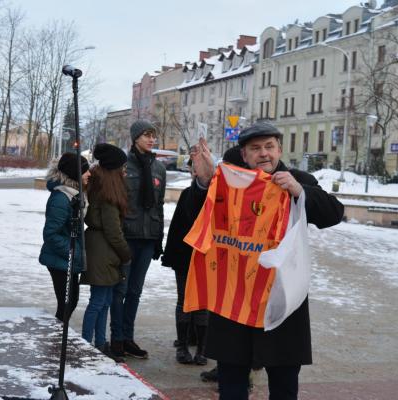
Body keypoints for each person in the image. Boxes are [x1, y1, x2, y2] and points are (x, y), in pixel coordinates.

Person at [186, 122, 344, 400]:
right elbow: (197, 213)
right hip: (234, 300)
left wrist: (299, 191)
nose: (263, 154)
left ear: (279, 149)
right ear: (244, 155)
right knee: (231, 383)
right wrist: (203, 181)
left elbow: (333, 213)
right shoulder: (230, 181)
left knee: (284, 385)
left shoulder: (296, 178)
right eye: (255, 149)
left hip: (281, 301)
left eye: (269, 147)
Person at [110, 120, 166, 360]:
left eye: (153, 136)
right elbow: (116, 204)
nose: (151, 140)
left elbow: (159, 205)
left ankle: (129, 337)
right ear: (135, 138)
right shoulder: (123, 167)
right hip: (127, 236)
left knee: (135, 291)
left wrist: (158, 237)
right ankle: (117, 340)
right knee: (120, 290)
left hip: (147, 238)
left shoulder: (159, 168)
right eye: (146, 135)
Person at [81, 143, 130, 363]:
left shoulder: (103, 188)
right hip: (103, 252)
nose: (125, 171)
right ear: (114, 171)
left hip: (103, 251)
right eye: (122, 168)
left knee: (105, 300)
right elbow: (113, 232)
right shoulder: (109, 196)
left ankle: (100, 344)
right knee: (98, 302)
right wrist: (126, 253)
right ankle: (84, 345)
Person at [161, 159, 208, 366]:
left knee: (203, 304)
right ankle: (183, 346)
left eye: (197, 168)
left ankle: (202, 349)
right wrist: (171, 255)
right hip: (184, 258)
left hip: (207, 258)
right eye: (193, 169)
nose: (195, 172)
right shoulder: (187, 195)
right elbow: (177, 228)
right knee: (184, 301)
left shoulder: (216, 196)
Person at [39, 152, 90, 323]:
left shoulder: (75, 194)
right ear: (75, 173)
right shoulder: (61, 198)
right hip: (60, 259)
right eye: (85, 171)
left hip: (67, 259)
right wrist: (72, 252)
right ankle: (57, 340)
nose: (89, 174)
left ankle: (58, 336)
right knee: (67, 304)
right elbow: (50, 234)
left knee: (70, 303)